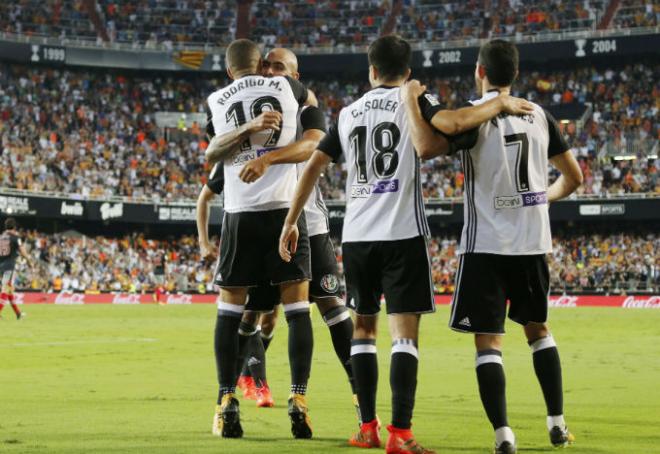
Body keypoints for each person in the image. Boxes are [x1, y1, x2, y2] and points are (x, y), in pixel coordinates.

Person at [279, 35, 533, 454]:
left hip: (358, 237)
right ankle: (400, 433)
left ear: (371, 70)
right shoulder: (414, 98)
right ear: (408, 72)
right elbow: (446, 129)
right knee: (404, 336)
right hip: (403, 233)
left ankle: (366, 428)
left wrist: (291, 221)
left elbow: (314, 167)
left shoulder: (347, 113)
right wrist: (495, 105)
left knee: (362, 328)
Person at [403, 39, 582, 454]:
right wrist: (540, 197)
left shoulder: (472, 118)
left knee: (488, 343)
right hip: (532, 241)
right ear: (514, 75)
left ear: (480, 71)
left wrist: (416, 100)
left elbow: (431, 144)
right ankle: (557, 424)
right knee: (539, 332)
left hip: (485, 244)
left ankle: (503, 435)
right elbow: (574, 178)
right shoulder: (541, 116)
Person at [208, 46, 360, 422]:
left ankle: (362, 397)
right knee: (251, 313)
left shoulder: (305, 105)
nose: (273, 71)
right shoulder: (250, 101)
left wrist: (268, 157)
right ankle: (237, 388)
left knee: (329, 305)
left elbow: (314, 145)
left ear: (296, 74)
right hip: (261, 214)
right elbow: (216, 149)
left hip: (308, 218)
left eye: (281, 68)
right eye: (267, 66)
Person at [205, 38, 317, 440]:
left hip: (239, 216)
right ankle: (299, 398)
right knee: (298, 308)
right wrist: (260, 127)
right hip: (285, 211)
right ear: (261, 65)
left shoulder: (217, 99)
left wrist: (244, 130)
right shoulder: (289, 88)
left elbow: (212, 152)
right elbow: (313, 107)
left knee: (230, 310)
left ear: (229, 70)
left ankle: (225, 400)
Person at [197, 163, 274, 409]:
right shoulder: (230, 159)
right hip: (239, 243)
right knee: (249, 316)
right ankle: (259, 384)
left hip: (269, 241)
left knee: (269, 320)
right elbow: (204, 199)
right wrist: (203, 242)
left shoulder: (275, 153)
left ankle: (245, 373)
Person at [0, 218, 34, 320]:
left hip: (0, 267)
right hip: (8, 267)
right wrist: (29, 262)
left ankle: (18, 314)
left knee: (9, 290)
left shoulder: (1, 237)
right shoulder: (16, 238)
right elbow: (23, 252)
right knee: (5, 290)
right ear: (14, 227)